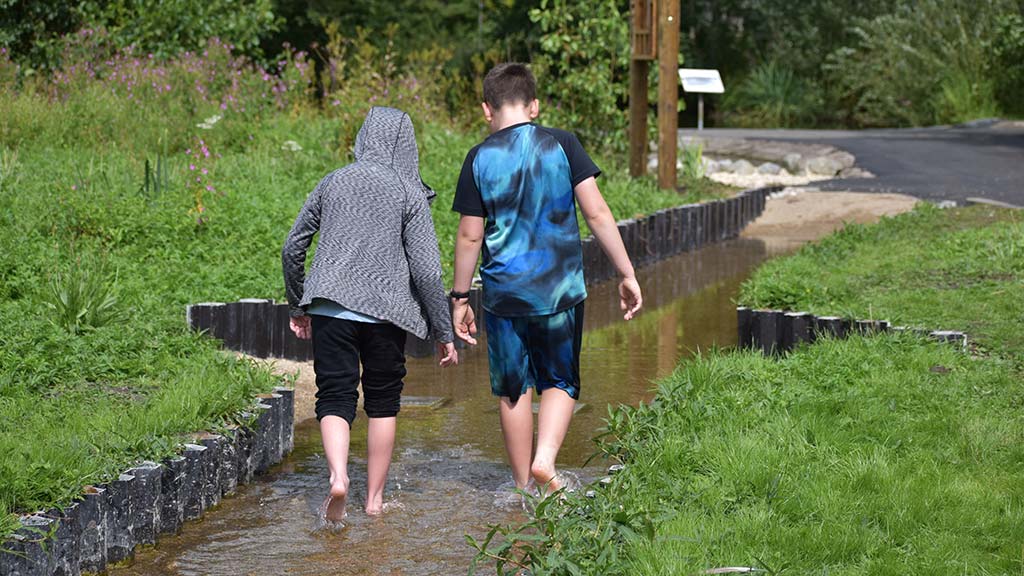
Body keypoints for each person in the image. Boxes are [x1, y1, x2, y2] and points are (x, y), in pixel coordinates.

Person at [450, 63, 642, 494]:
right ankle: (545, 460)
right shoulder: (563, 144)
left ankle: (521, 488)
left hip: (504, 295)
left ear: (487, 109)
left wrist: (460, 297)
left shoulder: (479, 157)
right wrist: (626, 273)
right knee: (560, 380)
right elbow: (596, 212)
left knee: (513, 388)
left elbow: (469, 234)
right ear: (534, 105)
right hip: (560, 292)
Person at [283, 106, 457, 521]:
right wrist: (442, 331)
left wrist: (298, 303)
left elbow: (292, 248)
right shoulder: (408, 191)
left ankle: (339, 477)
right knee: (382, 401)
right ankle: (374, 501)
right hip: (385, 313)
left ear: (364, 138)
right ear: (408, 146)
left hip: (329, 307)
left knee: (335, 394)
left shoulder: (333, 180)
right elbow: (428, 271)